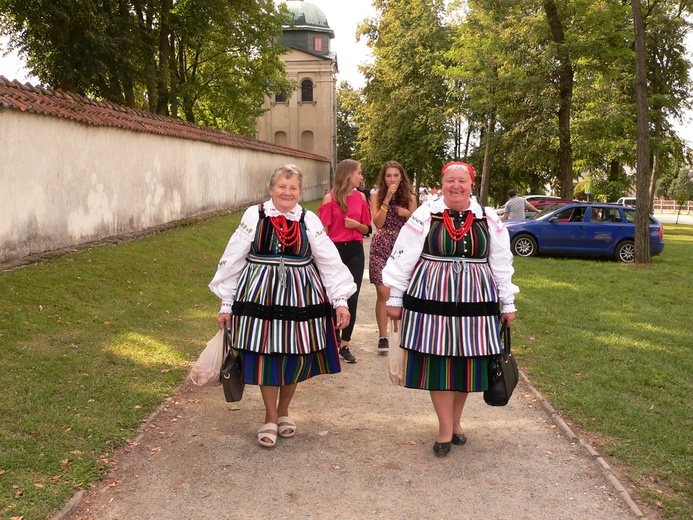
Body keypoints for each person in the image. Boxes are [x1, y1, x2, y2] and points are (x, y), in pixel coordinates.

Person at [209, 165, 356, 448]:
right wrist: (226, 303)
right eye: (281, 186)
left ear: (300, 192)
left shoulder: (308, 219)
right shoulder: (254, 215)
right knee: (267, 355)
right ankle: (270, 414)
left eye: (293, 188)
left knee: (295, 355)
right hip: (261, 297)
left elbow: (328, 261)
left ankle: (285, 410)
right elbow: (233, 259)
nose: (287, 192)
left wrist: (340, 301)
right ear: (270, 189)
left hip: (301, 297)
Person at [382, 161, 518, 457]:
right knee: (439, 363)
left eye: (462, 181)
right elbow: (404, 255)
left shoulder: (487, 218)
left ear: (472, 183)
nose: (455, 186)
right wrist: (395, 297)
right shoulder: (425, 214)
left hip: (476, 300)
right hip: (431, 297)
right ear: (441, 183)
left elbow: (501, 262)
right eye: (449, 181)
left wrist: (507, 302)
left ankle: (457, 423)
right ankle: (445, 428)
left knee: (467, 364)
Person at [318, 159, 372, 364]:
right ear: (348, 174)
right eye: (359, 172)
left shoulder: (361, 198)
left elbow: (368, 229)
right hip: (334, 251)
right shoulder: (329, 199)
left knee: (352, 297)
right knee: (332, 297)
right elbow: (322, 232)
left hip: (355, 251)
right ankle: (332, 340)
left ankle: (345, 344)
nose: (361, 176)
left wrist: (357, 225)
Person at [368, 161, 417, 352]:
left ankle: (402, 330)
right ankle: (383, 336)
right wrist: (387, 199)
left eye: (396, 175)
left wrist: (407, 213)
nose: (392, 179)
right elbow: (378, 223)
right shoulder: (376, 196)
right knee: (383, 292)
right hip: (381, 245)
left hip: (403, 247)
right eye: (388, 176)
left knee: (402, 291)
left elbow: (417, 224)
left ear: (401, 177)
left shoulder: (410, 196)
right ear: (384, 178)